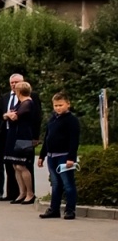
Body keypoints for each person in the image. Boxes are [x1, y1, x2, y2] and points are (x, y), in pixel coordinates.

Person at [38, 92, 80, 220]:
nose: (58, 108)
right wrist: (42, 155)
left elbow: (74, 140)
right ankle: (54, 209)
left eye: (60, 105)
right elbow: (47, 138)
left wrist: (71, 158)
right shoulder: (53, 119)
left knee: (68, 184)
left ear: (68, 104)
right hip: (52, 156)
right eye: (55, 105)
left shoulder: (72, 120)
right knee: (55, 184)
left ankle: (70, 210)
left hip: (64, 156)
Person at [2, 80, 40, 205]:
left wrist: (9, 115)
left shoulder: (28, 103)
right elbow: (7, 115)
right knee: (15, 165)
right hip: (14, 135)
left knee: (21, 165)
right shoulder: (20, 103)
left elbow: (14, 116)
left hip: (23, 136)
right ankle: (21, 192)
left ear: (19, 91)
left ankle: (30, 192)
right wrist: (8, 114)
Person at [0, 72, 27, 201]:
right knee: (10, 164)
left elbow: (35, 118)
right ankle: (11, 193)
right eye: (12, 83)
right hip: (7, 133)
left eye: (17, 82)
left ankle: (27, 193)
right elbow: (2, 115)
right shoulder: (5, 97)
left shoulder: (29, 98)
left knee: (23, 164)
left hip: (22, 134)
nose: (14, 85)